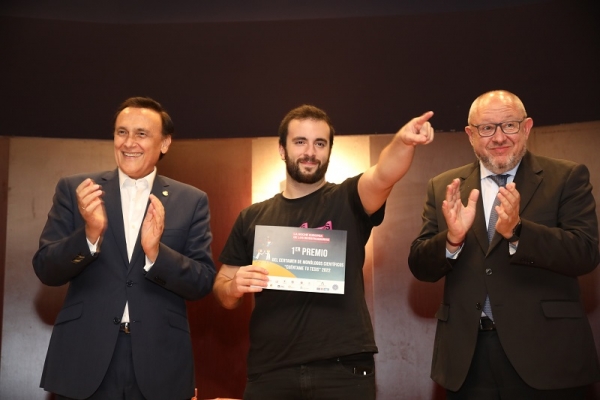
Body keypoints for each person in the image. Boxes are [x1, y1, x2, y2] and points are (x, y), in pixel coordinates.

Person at [213, 104, 434, 399]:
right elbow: (222, 290)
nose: (310, 152)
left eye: (320, 143)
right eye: (300, 142)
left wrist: (403, 142)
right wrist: (235, 285)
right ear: (282, 149)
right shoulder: (251, 217)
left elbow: (384, 174)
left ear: (329, 150)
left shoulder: (349, 198)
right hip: (271, 372)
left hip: (344, 371)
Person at [408, 90, 600, 399]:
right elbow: (420, 265)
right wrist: (452, 239)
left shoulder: (566, 177)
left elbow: (586, 252)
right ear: (471, 135)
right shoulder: (444, 186)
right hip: (467, 362)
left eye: (509, 125)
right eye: (487, 128)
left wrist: (520, 232)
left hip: (547, 357)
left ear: (526, 128)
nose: (499, 137)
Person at [33, 97, 216, 400]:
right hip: (85, 356)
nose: (129, 143)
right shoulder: (78, 190)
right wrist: (90, 234)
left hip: (159, 361)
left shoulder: (191, 200)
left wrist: (156, 253)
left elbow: (202, 281)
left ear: (165, 143)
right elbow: (46, 269)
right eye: (121, 132)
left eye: (142, 134)